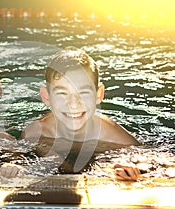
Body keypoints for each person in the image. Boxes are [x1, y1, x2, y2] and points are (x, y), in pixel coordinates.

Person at [21, 48, 141, 180]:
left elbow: (150, 159)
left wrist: (124, 165)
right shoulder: (36, 133)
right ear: (46, 96)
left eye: (84, 93)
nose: (73, 104)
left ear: (98, 94)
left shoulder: (114, 137)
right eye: (62, 93)